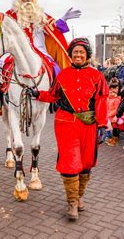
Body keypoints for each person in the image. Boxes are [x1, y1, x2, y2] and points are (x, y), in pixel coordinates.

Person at [29, 38, 108, 221]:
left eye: (81, 52)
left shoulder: (97, 76)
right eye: (75, 53)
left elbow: (102, 100)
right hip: (65, 123)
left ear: (87, 54)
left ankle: (80, 197)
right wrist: (37, 93)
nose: (78, 55)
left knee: (86, 161)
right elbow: (53, 95)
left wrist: (103, 125)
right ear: (70, 55)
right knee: (70, 161)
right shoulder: (63, 74)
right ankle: (72, 202)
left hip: (88, 124)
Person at [0, 0, 80, 113]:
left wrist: (63, 19)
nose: (28, 1)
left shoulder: (40, 14)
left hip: (39, 50)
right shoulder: (11, 15)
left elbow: (53, 26)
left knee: (56, 68)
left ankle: (56, 97)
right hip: (16, 51)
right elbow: (0, 26)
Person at [105, 81, 122, 146]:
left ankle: (114, 140)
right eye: (110, 92)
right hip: (109, 116)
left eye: (113, 92)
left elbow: (116, 109)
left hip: (114, 117)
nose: (111, 93)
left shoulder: (116, 99)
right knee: (112, 128)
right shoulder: (109, 98)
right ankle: (113, 138)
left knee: (115, 128)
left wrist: (109, 114)